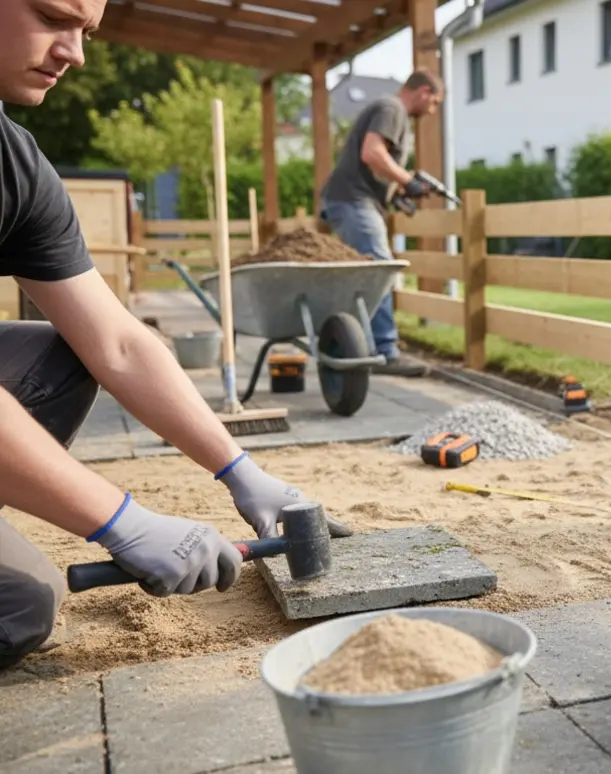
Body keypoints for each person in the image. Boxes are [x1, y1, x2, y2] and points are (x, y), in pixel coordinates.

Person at [0, 0, 350, 671]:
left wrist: (241, 472)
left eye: (86, 31)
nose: (75, 53)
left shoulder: (15, 163)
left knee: (62, 358)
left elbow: (118, 343)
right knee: (20, 607)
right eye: (51, 16)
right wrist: (121, 521)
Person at [319, 69, 446, 378]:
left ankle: (350, 344)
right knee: (381, 269)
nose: (432, 111)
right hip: (353, 201)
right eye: (434, 103)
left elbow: (373, 167)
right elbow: (372, 153)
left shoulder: (387, 109)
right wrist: (407, 180)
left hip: (350, 199)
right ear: (424, 92)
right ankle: (385, 352)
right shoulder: (392, 109)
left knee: (362, 276)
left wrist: (396, 193)